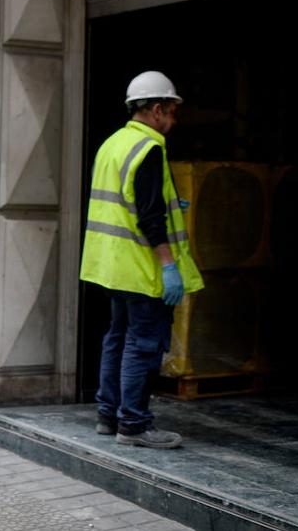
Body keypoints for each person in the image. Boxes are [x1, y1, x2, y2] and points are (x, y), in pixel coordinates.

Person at [80, 71, 204, 449]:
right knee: (143, 344)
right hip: (140, 266)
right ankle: (134, 425)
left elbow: (124, 201)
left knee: (117, 337)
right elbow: (148, 218)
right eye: (171, 111)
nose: (174, 120)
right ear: (156, 109)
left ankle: (108, 414)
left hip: (110, 265)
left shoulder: (113, 143)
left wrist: (170, 206)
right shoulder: (149, 148)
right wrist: (168, 266)